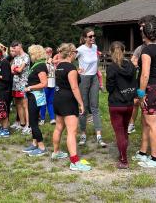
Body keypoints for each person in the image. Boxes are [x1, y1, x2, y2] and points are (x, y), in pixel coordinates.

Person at [132, 17, 156, 168]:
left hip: (149, 90)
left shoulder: (146, 50)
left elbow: (145, 74)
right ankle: (143, 152)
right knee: (146, 122)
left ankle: (155, 159)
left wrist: (142, 93)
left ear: (145, 34)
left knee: (152, 124)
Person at [51, 43, 91, 171]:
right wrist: (81, 103)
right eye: (75, 53)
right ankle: (74, 161)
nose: (76, 55)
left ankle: (56, 152)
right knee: (72, 131)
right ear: (70, 53)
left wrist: (76, 73)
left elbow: (65, 79)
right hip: (68, 100)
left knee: (58, 127)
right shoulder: (71, 68)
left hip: (57, 98)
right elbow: (74, 87)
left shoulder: (59, 66)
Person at [106, 42, 137, 169]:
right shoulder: (131, 66)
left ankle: (123, 160)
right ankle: (122, 155)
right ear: (124, 51)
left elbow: (109, 87)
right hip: (129, 103)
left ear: (110, 52)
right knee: (124, 130)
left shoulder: (112, 67)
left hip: (116, 104)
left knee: (119, 132)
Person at [76, 28, 106, 148]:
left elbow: (95, 62)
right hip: (83, 79)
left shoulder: (95, 47)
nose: (93, 38)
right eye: (90, 36)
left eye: (94, 36)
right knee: (83, 107)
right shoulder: (80, 50)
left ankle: (99, 135)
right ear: (84, 38)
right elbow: (68, 59)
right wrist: (76, 69)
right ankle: (83, 133)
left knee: (95, 106)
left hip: (93, 78)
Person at [22, 45, 49, 157]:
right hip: (32, 96)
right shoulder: (37, 65)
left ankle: (42, 147)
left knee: (33, 122)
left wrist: (30, 88)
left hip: (36, 96)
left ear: (35, 54)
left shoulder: (41, 66)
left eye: (31, 53)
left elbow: (44, 83)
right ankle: (35, 143)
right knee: (33, 121)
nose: (30, 56)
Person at [10, 41, 31, 134]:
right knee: (17, 104)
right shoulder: (16, 57)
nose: (13, 50)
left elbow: (19, 70)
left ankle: (28, 125)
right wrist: (15, 69)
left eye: (15, 48)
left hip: (24, 84)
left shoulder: (26, 57)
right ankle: (21, 124)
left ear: (20, 46)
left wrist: (16, 69)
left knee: (25, 105)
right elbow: (13, 70)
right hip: (16, 84)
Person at [40, 47, 56, 125]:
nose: (49, 53)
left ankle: (52, 118)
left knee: (50, 102)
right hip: (45, 84)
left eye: (50, 51)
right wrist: (49, 63)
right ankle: (42, 119)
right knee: (43, 102)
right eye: (47, 52)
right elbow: (45, 71)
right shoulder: (43, 62)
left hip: (52, 84)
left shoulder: (53, 62)